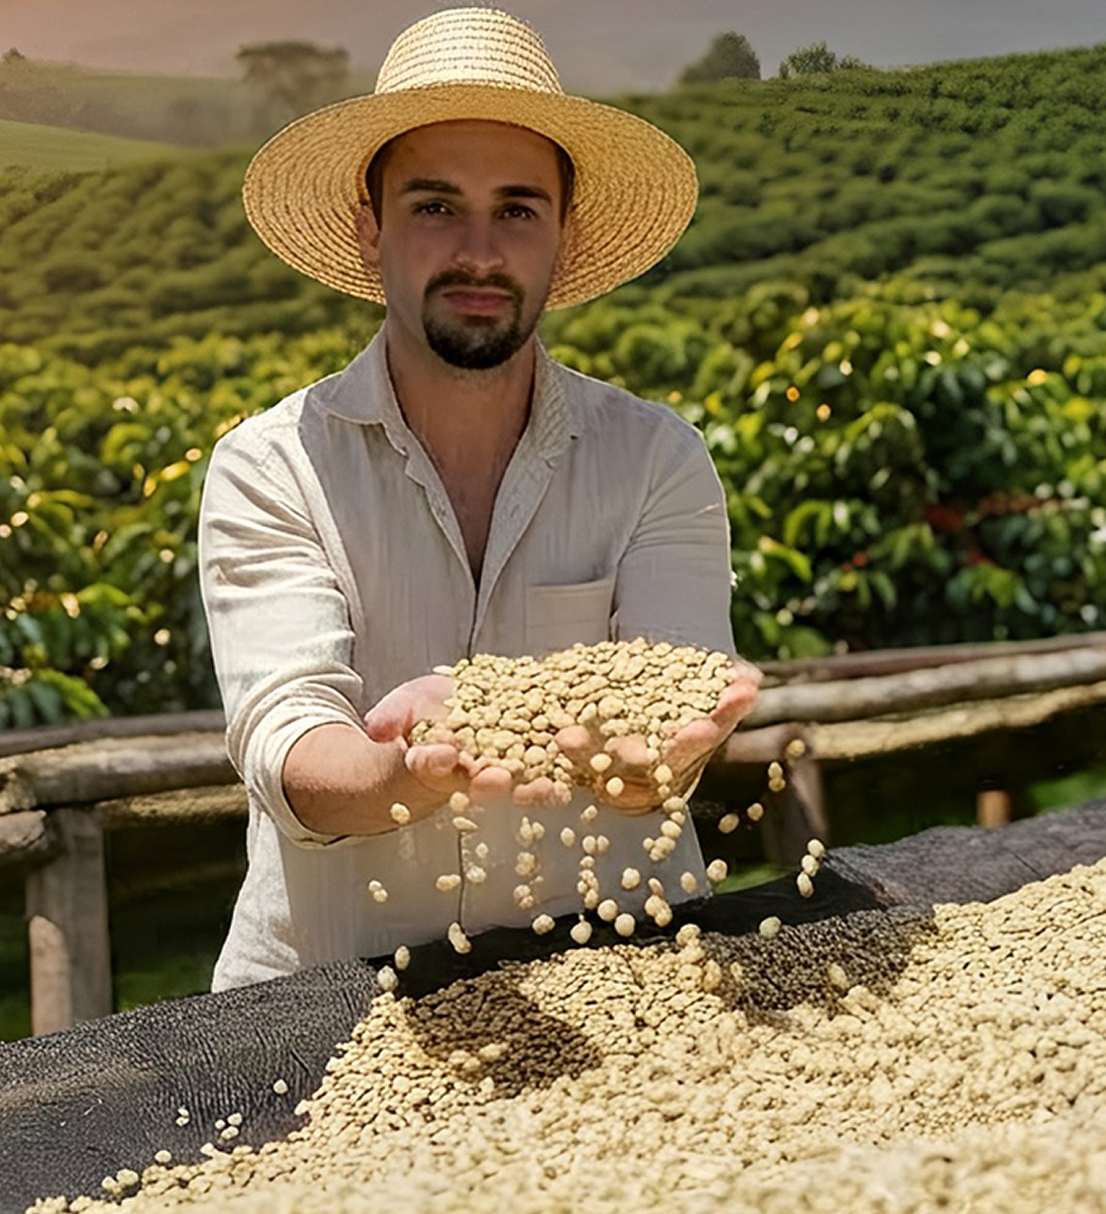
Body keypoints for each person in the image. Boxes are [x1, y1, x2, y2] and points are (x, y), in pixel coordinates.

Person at [200, 6, 759, 990]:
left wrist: (648, 768)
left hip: (619, 987)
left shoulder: (653, 459)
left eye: (515, 209)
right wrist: (401, 771)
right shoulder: (272, 465)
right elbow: (288, 741)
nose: (478, 252)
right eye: (432, 206)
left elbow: (666, 714)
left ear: (561, 234)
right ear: (368, 225)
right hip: (323, 1002)